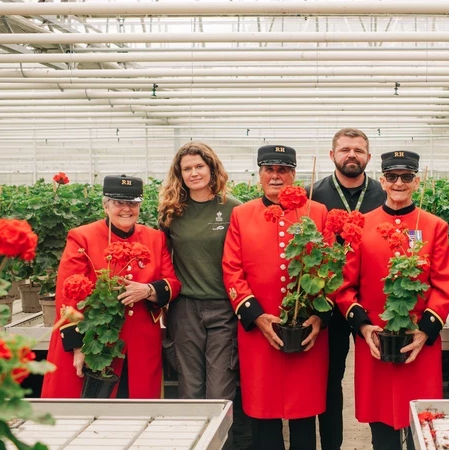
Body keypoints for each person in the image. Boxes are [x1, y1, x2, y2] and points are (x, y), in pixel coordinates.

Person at [337, 151, 449, 450]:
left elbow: (442, 284)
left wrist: (425, 331)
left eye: (406, 177)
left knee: (420, 424)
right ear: (382, 180)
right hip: (376, 338)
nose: (399, 182)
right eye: (392, 176)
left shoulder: (434, 226)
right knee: (382, 428)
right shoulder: (361, 224)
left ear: (416, 181)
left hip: (419, 339)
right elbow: (345, 286)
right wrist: (363, 328)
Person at [222, 145, 332, 450]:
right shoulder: (242, 215)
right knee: (263, 410)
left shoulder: (316, 212)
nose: (275, 176)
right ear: (259, 174)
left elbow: (333, 269)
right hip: (260, 330)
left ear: (294, 175)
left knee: (304, 410)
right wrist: (255, 315)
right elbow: (231, 269)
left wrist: (319, 317)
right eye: (269, 169)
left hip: (307, 328)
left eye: (283, 170)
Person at [42, 175, 181, 398]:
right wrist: (78, 346)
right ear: (105, 205)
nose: (127, 209)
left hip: (140, 342)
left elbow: (172, 283)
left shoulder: (156, 238)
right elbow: (67, 294)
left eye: (133, 203)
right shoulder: (82, 237)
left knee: (137, 410)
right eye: (119, 203)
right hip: (95, 338)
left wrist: (147, 290)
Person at [308, 128, 385, 450]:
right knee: (330, 377)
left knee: (383, 373)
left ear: (368, 156)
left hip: (375, 300)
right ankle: (332, 445)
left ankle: (386, 441)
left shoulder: (383, 194)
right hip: (327, 299)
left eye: (358, 150)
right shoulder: (312, 193)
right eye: (344, 150)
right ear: (332, 155)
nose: (351, 155)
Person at [158, 142, 241, 402]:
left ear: (212, 168)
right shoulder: (170, 213)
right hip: (184, 310)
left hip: (224, 308)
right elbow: (162, 261)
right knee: (190, 389)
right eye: (187, 168)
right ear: (179, 174)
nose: (194, 173)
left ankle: (221, 443)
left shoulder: (234, 209)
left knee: (220, 390)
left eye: (199, 166)